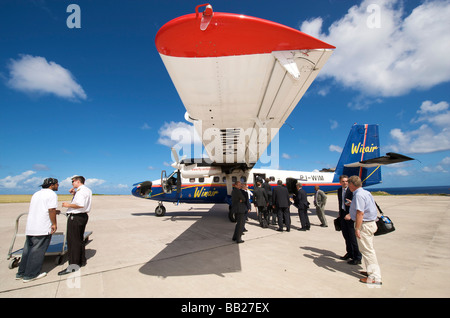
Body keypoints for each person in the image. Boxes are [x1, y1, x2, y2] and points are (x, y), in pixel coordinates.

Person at [17, 178, 60, 282]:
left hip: (31, 227)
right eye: (57, 184)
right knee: (38, 251)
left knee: (27, 251)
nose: (58, 186)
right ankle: (31, 275)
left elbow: (43, 208)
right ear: (52, 185)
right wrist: (54, 223)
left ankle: (21, 273)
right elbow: (51, 210)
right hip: (42, 227)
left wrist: (55, 211)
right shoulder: (51, 194)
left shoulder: (36, 194)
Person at [347, 175, 382, 285]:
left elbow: (360, 213)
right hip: (370, 223)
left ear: (352, 185)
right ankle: (371, 271)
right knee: (368, 249)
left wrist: (357, 228)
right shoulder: (366, 193)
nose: (348, 186)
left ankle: (375, 277)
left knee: (367, 251)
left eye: (348, 184)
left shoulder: (358, 195)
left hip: (364, 225)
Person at [58, 176, 92, 275]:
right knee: (79, 240)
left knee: (73, 242)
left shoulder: (81, 191)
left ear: (77, 181)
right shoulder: (86, 190)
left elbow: (80, 204)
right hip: (82, 217)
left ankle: (73, 266)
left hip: (76, 217)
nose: (72, 184)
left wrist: (67, 205)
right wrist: (74, 193)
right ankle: (81, 261)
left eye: (73, 182)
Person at [337, 175, 362, 265]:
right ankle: (349, 253)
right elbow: (340, 202)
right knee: (346, 235)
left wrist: (351, 214)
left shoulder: (352, 191)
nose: (345, 183)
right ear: (340, 182)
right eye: (343, 181)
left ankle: (357, 257)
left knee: (352, 237)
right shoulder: (339, 190)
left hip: (350, 215)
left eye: (346, 181)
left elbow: (357, 205)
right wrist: (340, 213)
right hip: (343, 214)